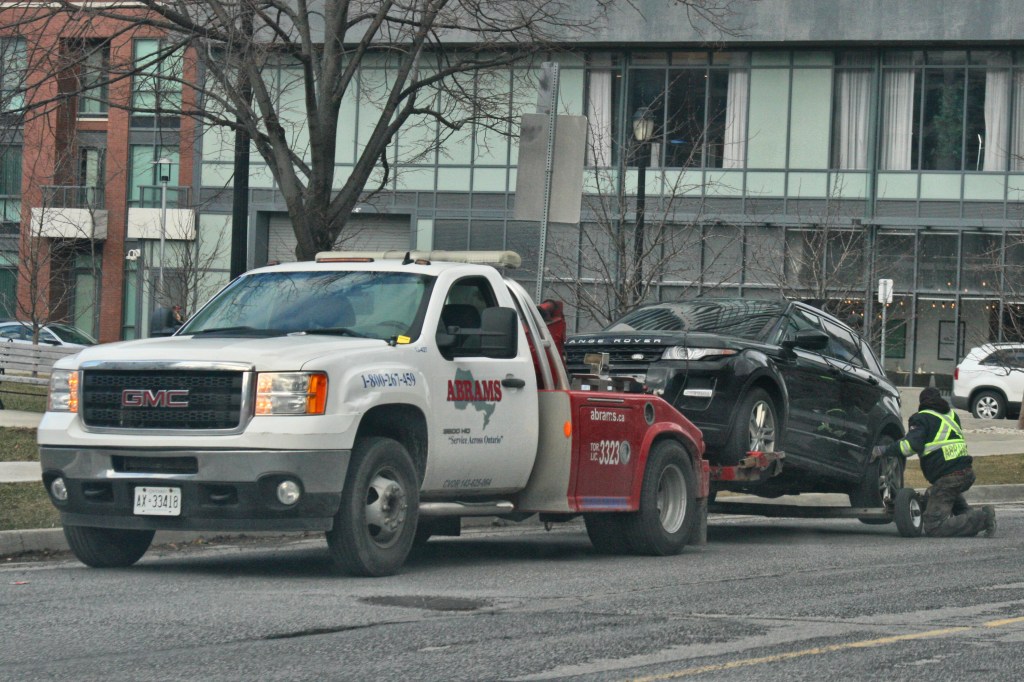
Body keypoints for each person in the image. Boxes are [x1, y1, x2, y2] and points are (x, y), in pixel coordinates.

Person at [874, 386, 996, 537]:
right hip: (965, 473)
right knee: (935, 494)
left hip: (950, 478)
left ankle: (983, 518)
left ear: (921, 402)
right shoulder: (952, 416)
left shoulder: (921, 418)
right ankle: (967, 515)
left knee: (934, 526)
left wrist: (883, 450)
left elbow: (910, 446)